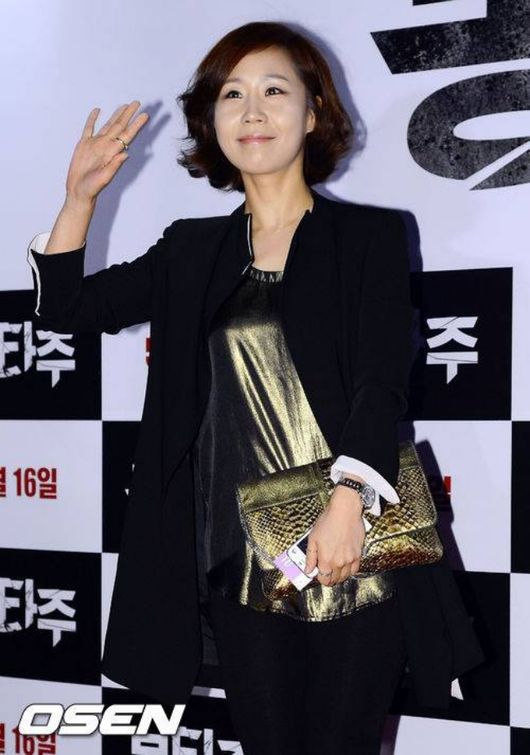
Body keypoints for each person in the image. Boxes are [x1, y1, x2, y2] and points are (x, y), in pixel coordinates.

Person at [27, 21, 485, 755]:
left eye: (275, 90)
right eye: (232, 94)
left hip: (350, 540)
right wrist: (79, 199)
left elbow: (381, 383)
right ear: (212, 120)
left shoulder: (367, 237)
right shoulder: (190, 249)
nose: (252, 111)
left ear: (313, 112)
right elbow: (66, 310)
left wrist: (348, 504)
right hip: (238, 556)